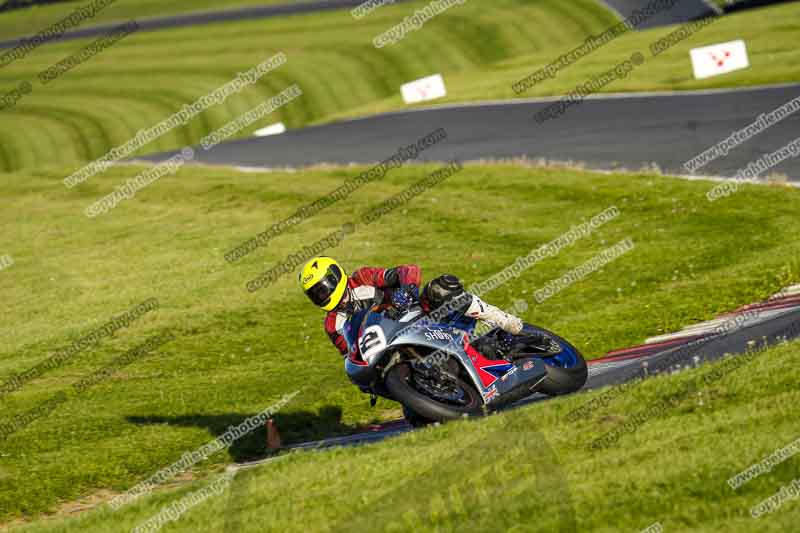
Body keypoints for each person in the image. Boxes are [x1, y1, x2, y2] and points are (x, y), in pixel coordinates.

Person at [298, 256, 532, 359]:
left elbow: (407, 270)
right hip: (389, 346)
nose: (323, 294)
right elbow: (350, 353)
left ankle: (499, 319)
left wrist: (407, 290)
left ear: (335, 275)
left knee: (440, 289)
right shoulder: (332, 324)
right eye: (316, 293)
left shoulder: (362, 278)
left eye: (323, 287)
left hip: (416, 316)